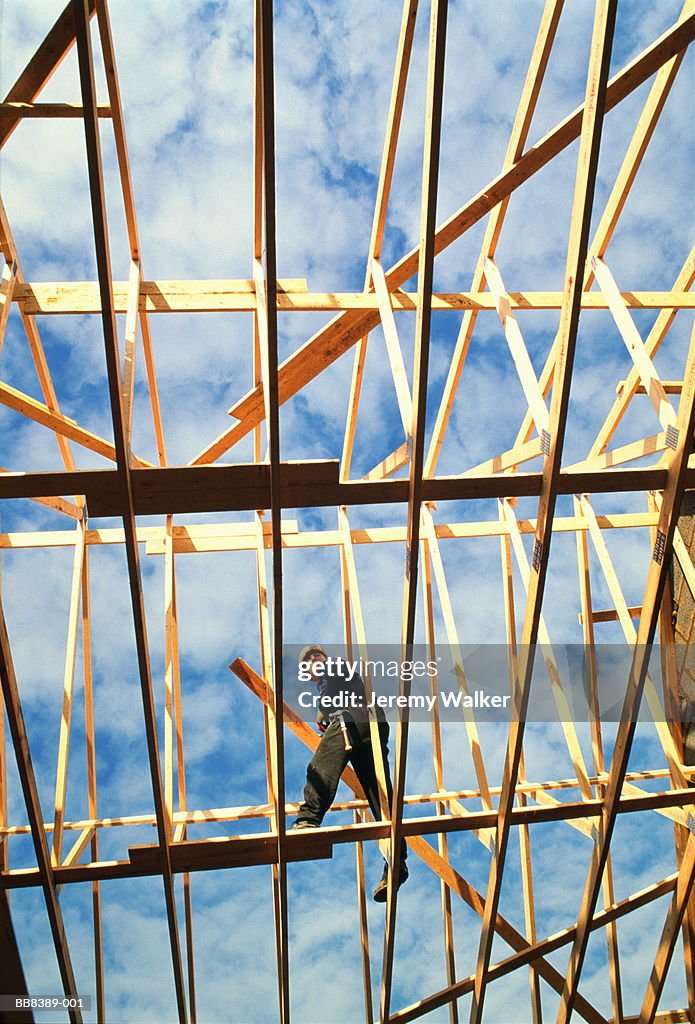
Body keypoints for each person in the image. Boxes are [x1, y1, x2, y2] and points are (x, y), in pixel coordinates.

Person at [290, 644, 408, 902]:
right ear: (306, 674)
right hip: (372, 723)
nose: (314, 660)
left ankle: (308, 819)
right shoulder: (334, 678)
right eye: (308, 661)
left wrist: (322, 710)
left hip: (351, 719)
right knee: (380, 795)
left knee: (321, 766)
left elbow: (333, 683)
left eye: (316, 656)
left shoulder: (333, 668)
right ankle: (396, 862)